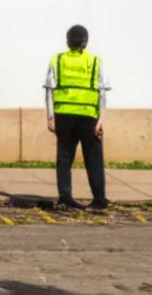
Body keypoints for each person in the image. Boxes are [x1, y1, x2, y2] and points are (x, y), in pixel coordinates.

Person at [44, 24, 110, 212]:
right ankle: (99, 200)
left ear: (68, 41)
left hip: (64, 116)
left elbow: (49, 90)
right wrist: (100, 120)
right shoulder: (95, 61)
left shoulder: (57, 60)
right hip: (89, 116)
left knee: (64, 158)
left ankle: (65, 198)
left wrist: (50, 117)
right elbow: (102, 92)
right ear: (86, 42)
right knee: (94, 159)